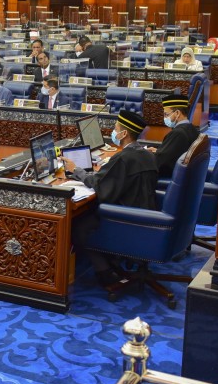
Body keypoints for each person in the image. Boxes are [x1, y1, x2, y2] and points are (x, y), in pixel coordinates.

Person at [64, 109, 158, 287]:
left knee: (78, 227)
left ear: (124, 134)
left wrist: (75, 169)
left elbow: (98, 184)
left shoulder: (123, 158)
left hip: (126, 219)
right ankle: (112, 261)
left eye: (115, 128)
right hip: (145, 215)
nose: (112, 132)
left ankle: (104, 272)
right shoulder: (148, 154)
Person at [146, 94, 200, 178]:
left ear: (177, 113)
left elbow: (161, 164)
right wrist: (158, 151)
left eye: (166, 114)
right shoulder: (192, 129)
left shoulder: (178, 134)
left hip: (170, 177)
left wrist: (145, 155)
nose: (164, 118)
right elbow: (172, 153)